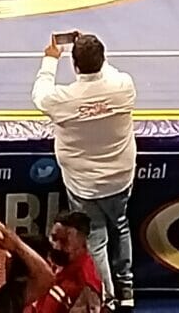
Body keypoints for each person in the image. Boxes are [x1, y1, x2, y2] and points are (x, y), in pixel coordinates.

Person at [33, 32, 137, 307]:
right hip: (119, 178)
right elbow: (107, 73)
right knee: (121, 226)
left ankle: (107, 299)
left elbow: (40, 95)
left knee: (96, 240)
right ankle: (126, 291)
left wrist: (50, 60)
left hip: (84, 184)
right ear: (103, 60)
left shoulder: (63, 100)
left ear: (75, 65)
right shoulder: (123, 86)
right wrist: (93, 55)